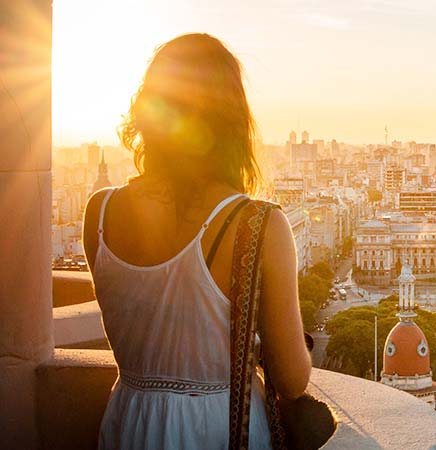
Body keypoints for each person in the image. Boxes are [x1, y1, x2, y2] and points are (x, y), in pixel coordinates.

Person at [83, 33, 311, 450]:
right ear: (233, 123)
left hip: (128, 422)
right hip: (219, 429)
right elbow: (294, 380)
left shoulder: (99, 212)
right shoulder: (257, 224)